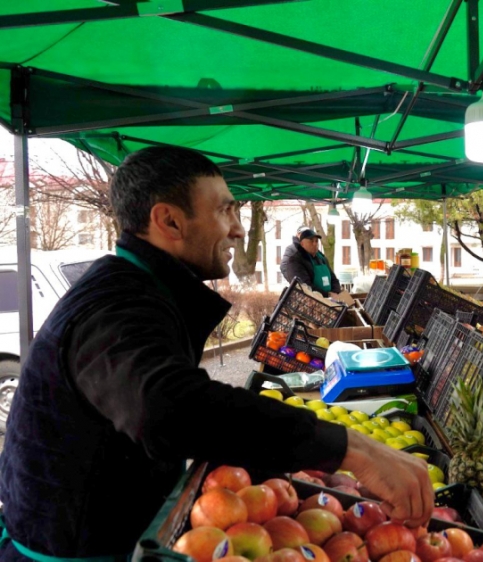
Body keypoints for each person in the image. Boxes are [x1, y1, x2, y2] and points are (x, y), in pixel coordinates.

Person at [0, 147, 433, 560]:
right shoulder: (116, 306)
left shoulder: (143, 290)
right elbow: (172, 408)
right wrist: (353, 448)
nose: (238, 229)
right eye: (225, 211)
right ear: (169, 221)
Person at [281, 225, 341, 297]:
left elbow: (334, 279)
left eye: (316, 241)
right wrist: (327, 295)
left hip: (330, 300)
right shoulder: (295, 260)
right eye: (311, 241)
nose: (315, 244)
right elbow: (305, 287)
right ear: (302, 244)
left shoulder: (322, 258)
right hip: (311, 301)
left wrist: (335, 292)